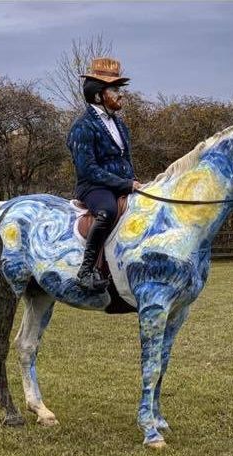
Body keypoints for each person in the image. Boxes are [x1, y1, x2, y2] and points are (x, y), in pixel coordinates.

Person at [67, 57, 141, 292]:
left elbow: (124, 159)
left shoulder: (120, 125)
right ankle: (86, 271)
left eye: (120, 89)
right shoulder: (82, 127)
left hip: (120, 184)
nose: (121, 95)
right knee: (107, 211)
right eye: (115, 90)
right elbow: (87, 169)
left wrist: (134, 182)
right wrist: (125, 184)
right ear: (99, 95)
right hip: (94, 187)